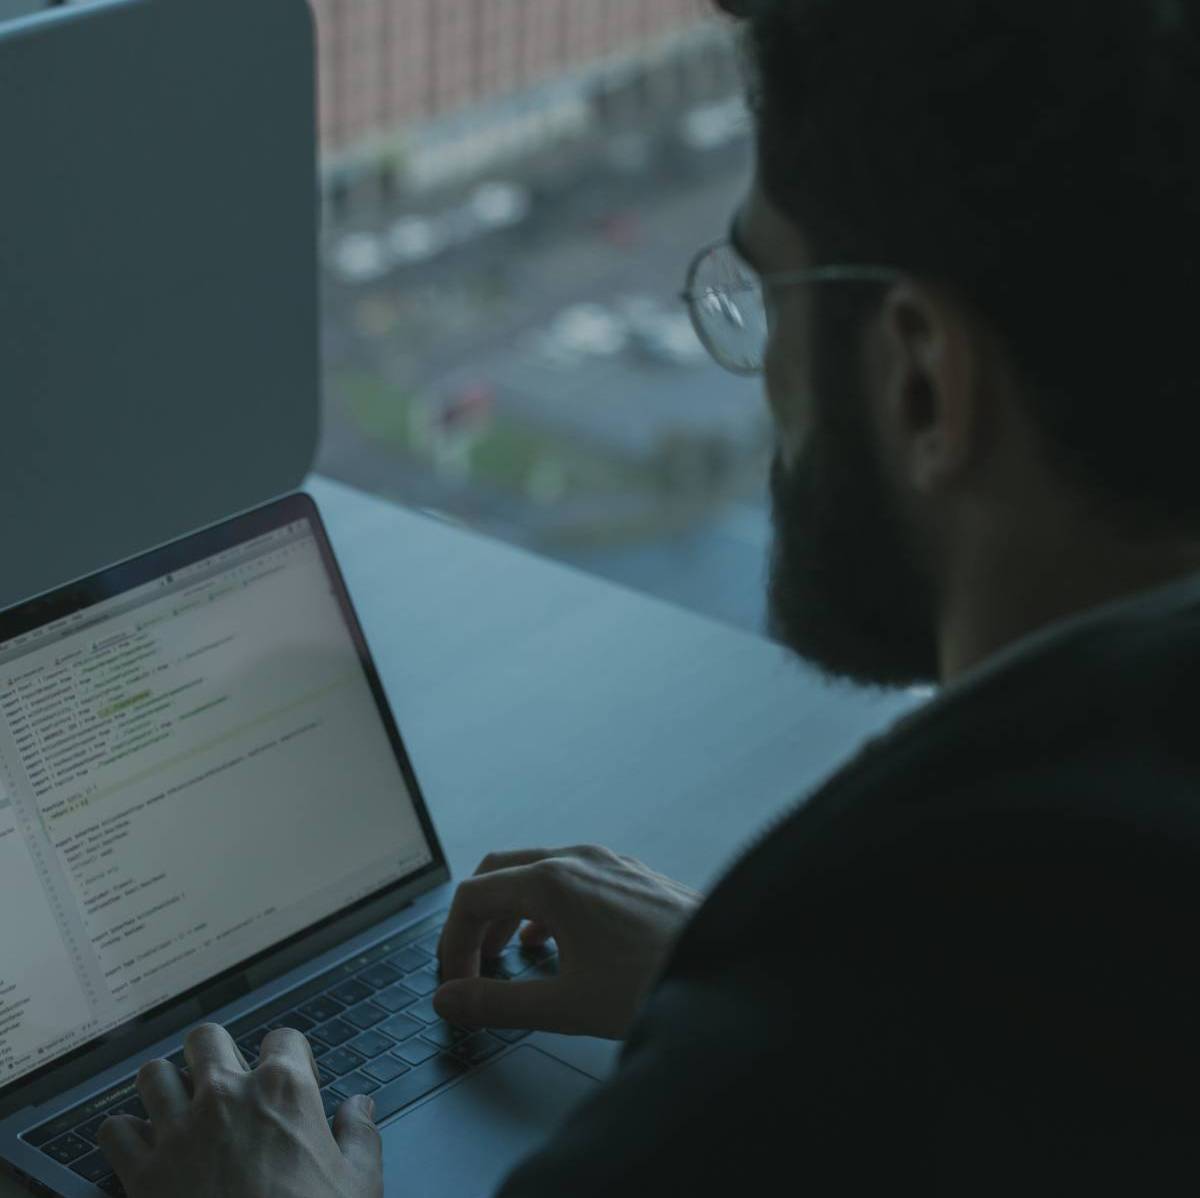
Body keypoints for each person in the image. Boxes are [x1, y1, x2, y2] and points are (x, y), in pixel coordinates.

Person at [97, 0, 1200, 1193]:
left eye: (768, 291)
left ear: (924, 381)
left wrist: (778, 1001)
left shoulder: (787, 1078)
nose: (763, 370)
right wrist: (736, 967)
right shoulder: (1075, 902)